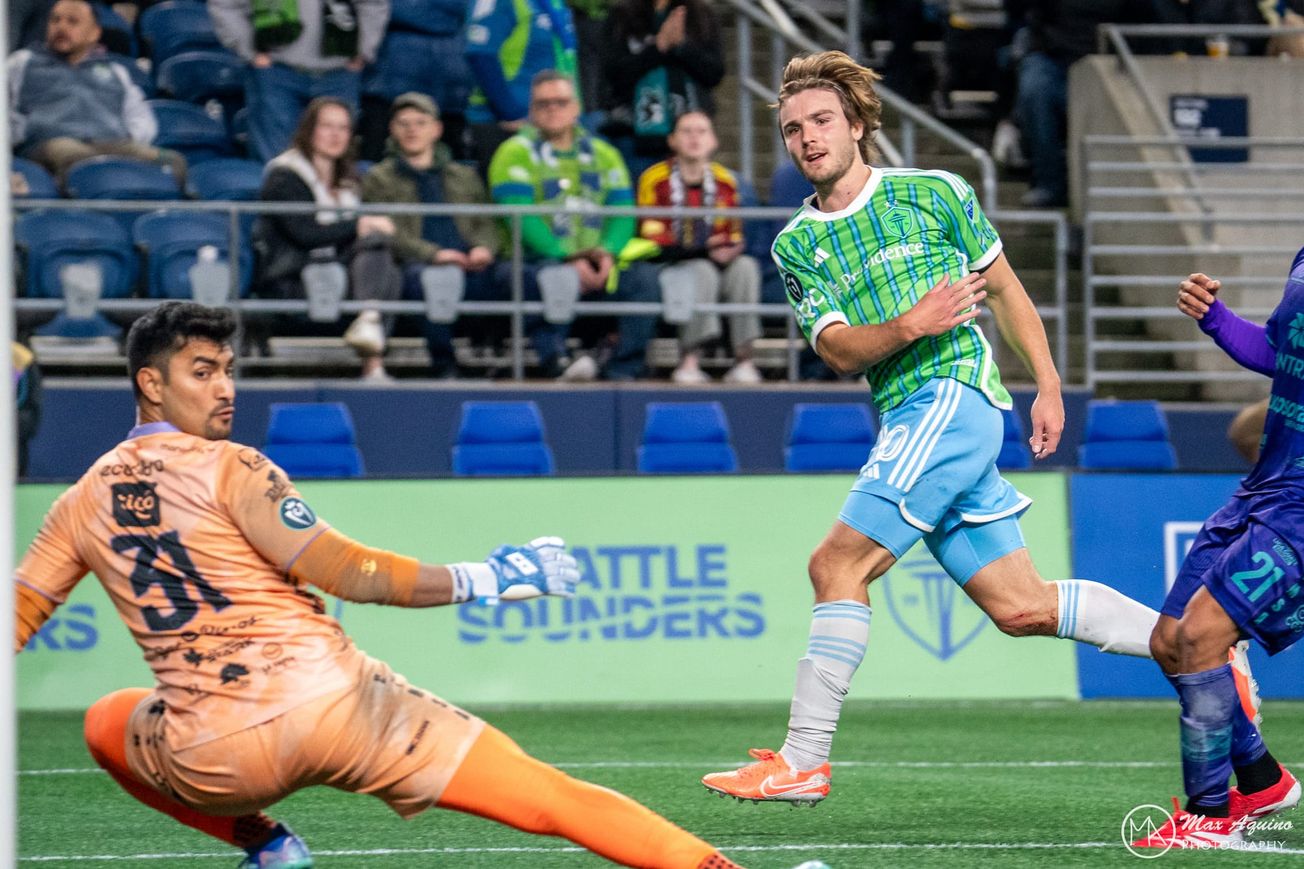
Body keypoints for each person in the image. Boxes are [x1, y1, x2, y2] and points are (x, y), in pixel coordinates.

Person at [11, 300, 784, 869]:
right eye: (202, 371)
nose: (225, 389)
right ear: (150, 383)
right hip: (340, 707)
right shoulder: (233, 465)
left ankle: (268, 845)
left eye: (229, 370)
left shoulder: (77, 501)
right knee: (548, 797)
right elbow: (348, 572)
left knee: (106, 720)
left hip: (213, 755)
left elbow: (19, 613)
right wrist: (495, 574)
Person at [700, 50, 1258, 806]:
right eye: (793, 127)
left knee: (835, 565)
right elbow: (834, 348)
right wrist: (906, 324)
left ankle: (803, 759)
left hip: (953, 400)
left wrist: (1049, 382)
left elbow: (1002, 287)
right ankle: (1207, 648)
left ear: (858, 124)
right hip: (907, 414)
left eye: (822, 119)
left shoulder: (935, 192)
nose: (806, 137)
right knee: (1021, 607)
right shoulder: (798, 244)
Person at [1130, 264, 1304, 850]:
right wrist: (1216, 320)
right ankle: (1260, 781)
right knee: (1170, 641)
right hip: (1268, 484)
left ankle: (1209, 815)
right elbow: (1282, 352)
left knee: (1202, 637)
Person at [488, 70, 660, 381]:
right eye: (543, 103)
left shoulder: (604, 154)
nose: (553, 109)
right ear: (532, 110)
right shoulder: (513, 152)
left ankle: (620, 369)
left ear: (576, 108)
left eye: (561, 102)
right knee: (553, 277)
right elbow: (521, 220)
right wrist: (569, 257)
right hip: (535, 262)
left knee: (646, 280)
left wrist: (607, 253)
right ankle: (555, 361)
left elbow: (622, 213)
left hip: (598, 263)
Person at [251, 96, 399, 381]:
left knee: (385, 258)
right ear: (309, 130)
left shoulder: (350, 179)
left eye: (343, 128)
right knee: (375, 245)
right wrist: (358, 225)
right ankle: (373, 361)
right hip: (294, 277)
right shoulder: (284, 175)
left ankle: (369, 325)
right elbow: (305, 234)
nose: (335, 135)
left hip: (340, 272)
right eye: (327, 126)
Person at [361, 92, 503, 378]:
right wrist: (433, 254)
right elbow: (387, 232)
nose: (412, 130)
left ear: (436, 129)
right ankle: (445, 364)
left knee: (523, 278)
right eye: (404, 123)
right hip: (418, 265)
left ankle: (550, 359)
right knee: (434, 280)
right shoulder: (378, 178)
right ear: (392, 129)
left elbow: (488, 220)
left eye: (420, 122)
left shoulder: (463, 175)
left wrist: (484, 248)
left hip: (471, 264)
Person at [637, 110, 762, 384]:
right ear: (672, 140)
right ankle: (689, 360)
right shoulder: (653, 179)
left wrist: (730, 250)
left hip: (719, 264)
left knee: (746, 267)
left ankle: (744, 361)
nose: (694, 138)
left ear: (714, 141)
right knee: (701, 269)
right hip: (671, 266)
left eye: (701, 131)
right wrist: (704, 250)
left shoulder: (727, 182)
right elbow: (654, 240)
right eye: (686, 131)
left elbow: (733, 234)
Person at [7, 0, 185, 183]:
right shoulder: (22, 63)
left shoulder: (115, 71)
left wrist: (127, 139)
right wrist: (22, 134)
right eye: (55, 20)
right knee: (70, 154)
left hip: (111, 143)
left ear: (94, 33)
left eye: (72, 21)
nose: (61, 27)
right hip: (50, 144)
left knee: (172, 161)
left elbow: (140, 117)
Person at [209, 0, 390, 163]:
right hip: (275, 73)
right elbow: (224, 4)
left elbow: (374, 3)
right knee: (275, 161)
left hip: (340, 74)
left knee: (337, 163)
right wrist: (250, 50)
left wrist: (363, 50)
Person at [602, 0, 724, 180]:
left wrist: (681, 47)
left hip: (689, 139)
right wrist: (658, 46)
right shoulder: (621, 15)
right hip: (634, 141)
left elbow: (714, 73)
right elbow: (614, 77)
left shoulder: (701, 15)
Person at [463, 0, 581, 174]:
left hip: (550, 123)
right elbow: (481, 54)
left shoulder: (555, 4)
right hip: (505, 124)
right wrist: (511, 113)